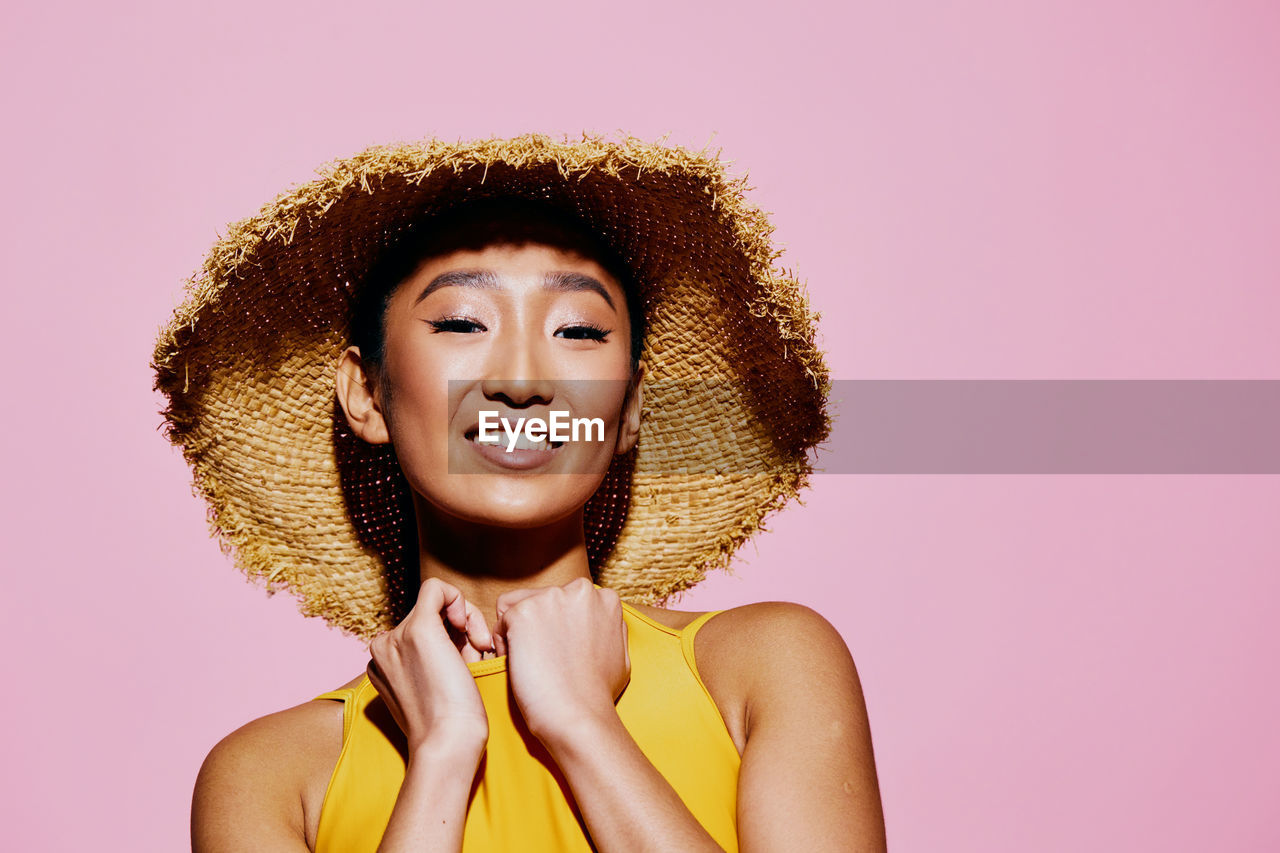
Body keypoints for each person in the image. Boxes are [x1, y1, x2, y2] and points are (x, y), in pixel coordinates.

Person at [152, 134, 886, 852]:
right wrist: (441, 753)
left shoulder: (763, 666)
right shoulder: (267, 775)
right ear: (367, 393)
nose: (524, 381)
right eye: (463, 321)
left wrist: (582, 724)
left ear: (629, 410)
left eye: (578, 332)